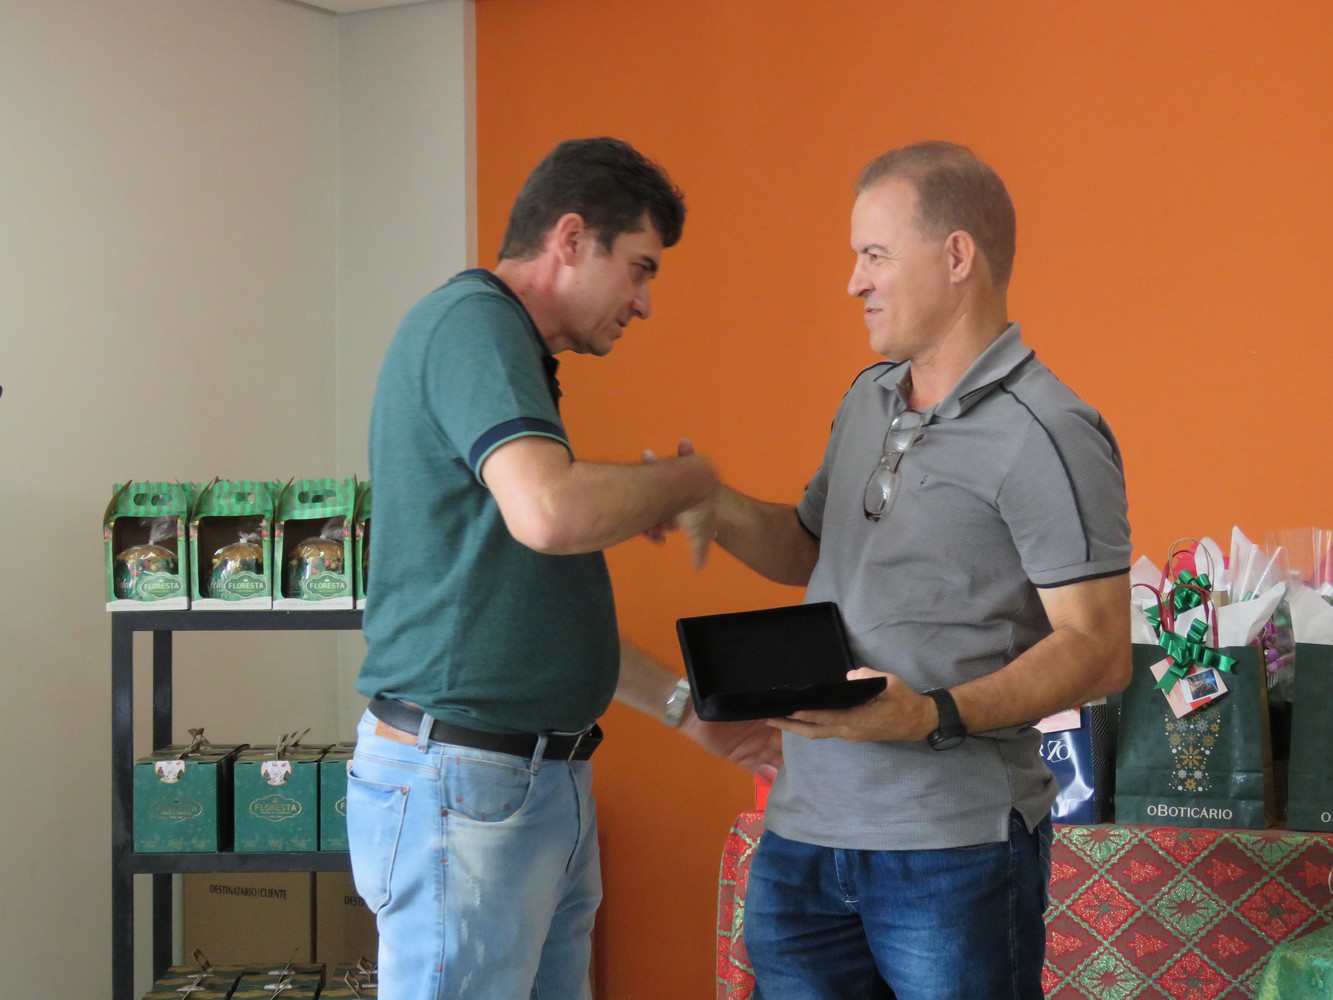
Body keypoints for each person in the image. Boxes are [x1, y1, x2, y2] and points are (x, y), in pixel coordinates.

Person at [348, 137, 780, 1000]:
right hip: (466, 786)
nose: (644, 302)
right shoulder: (472, 327)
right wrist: (689, 481)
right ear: (571, 238)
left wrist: (684, 709)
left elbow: (526, 616)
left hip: (526, 782)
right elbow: (551, 513)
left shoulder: (512, 362)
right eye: (639, 268)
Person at [706, 141, 1132, 999]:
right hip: (800, 838)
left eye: (874, 255)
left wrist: (930, 714)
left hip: (951, 852)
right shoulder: (865, 399)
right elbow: (809, 547)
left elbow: (1098, 649)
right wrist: (706, 501)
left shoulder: (1046, 432)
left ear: (956, 255)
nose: (852, 282)